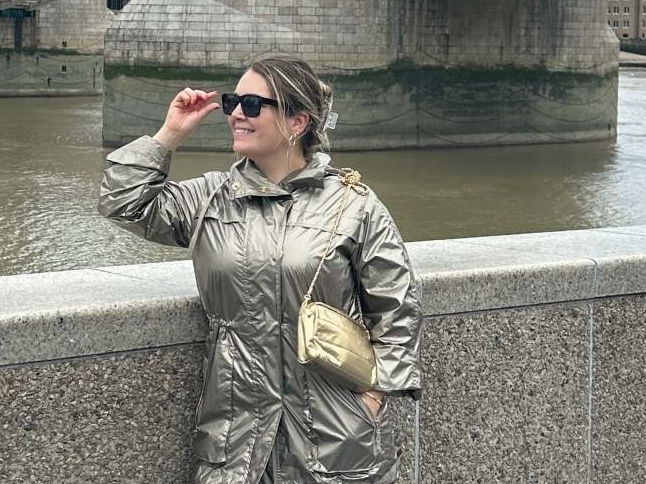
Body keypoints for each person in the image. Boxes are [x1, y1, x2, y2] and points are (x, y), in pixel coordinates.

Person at [99, 52, 422, 483]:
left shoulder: (354, 205)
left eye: (252, 105)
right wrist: (169, 134)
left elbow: (397, 307)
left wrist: (372, 399)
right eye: (234, 102)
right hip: (234, 438)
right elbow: (123, 203)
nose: (236, 114)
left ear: (297, 122)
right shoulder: (210, 199)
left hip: (331, 435)